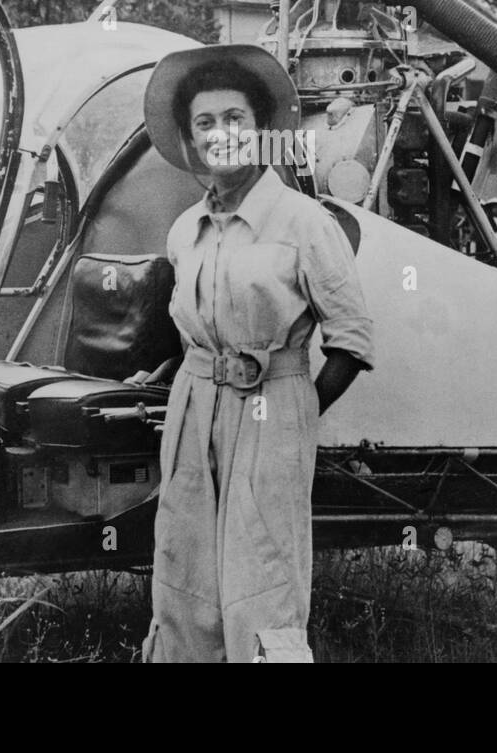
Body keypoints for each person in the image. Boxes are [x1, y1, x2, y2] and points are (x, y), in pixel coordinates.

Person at [136, 44, 374, 664]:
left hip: (272, 409)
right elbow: (191, 330)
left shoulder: (304, 222)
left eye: (235, 119)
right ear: (190, 139)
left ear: (263, 132)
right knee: (183, 570)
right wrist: (173, 375)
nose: (221, 135)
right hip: (192, 411)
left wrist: (295, 409)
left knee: (262, 579)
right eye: (205, 123)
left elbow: (350, 337)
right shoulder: (183, 230)